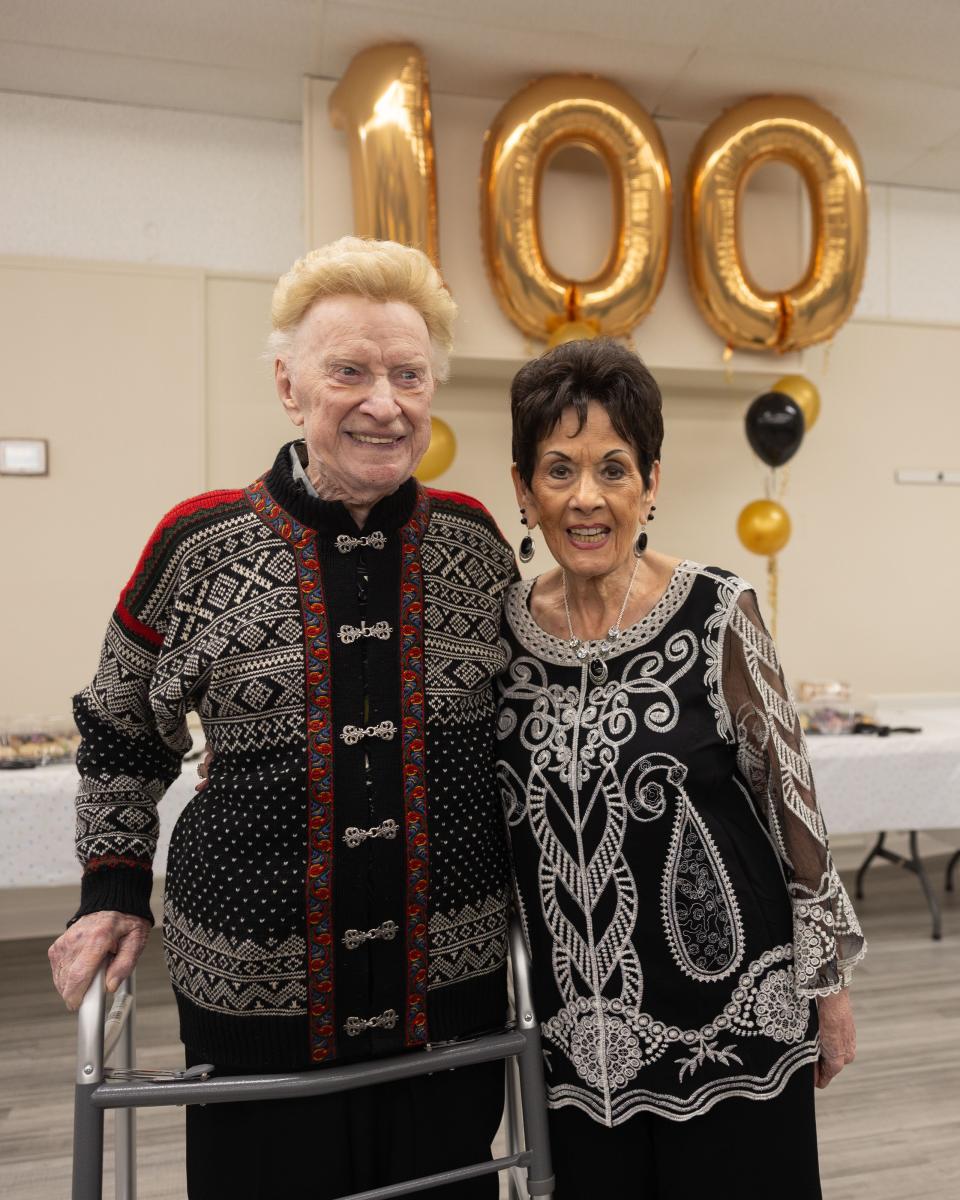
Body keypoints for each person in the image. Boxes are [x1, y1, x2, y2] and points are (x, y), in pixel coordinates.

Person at [48, 237, 518, 1199]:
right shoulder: (200, 544)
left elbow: (526, 726)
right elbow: (120, 725)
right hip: (253, 983)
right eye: (348, 370)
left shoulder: (475, 542)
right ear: (288, 385)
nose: (383, 401)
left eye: (408, 374)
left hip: (452, 979)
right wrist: (111, 887)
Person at [496, 338, 866, 1199]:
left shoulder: (715, 609)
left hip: (737, 1017)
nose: (586, 499)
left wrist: (830, 987)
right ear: (523, 490)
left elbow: (790, 803)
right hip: (576, 1044)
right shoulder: (500, 633)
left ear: (650, 484)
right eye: (558, 470)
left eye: (613, 469)